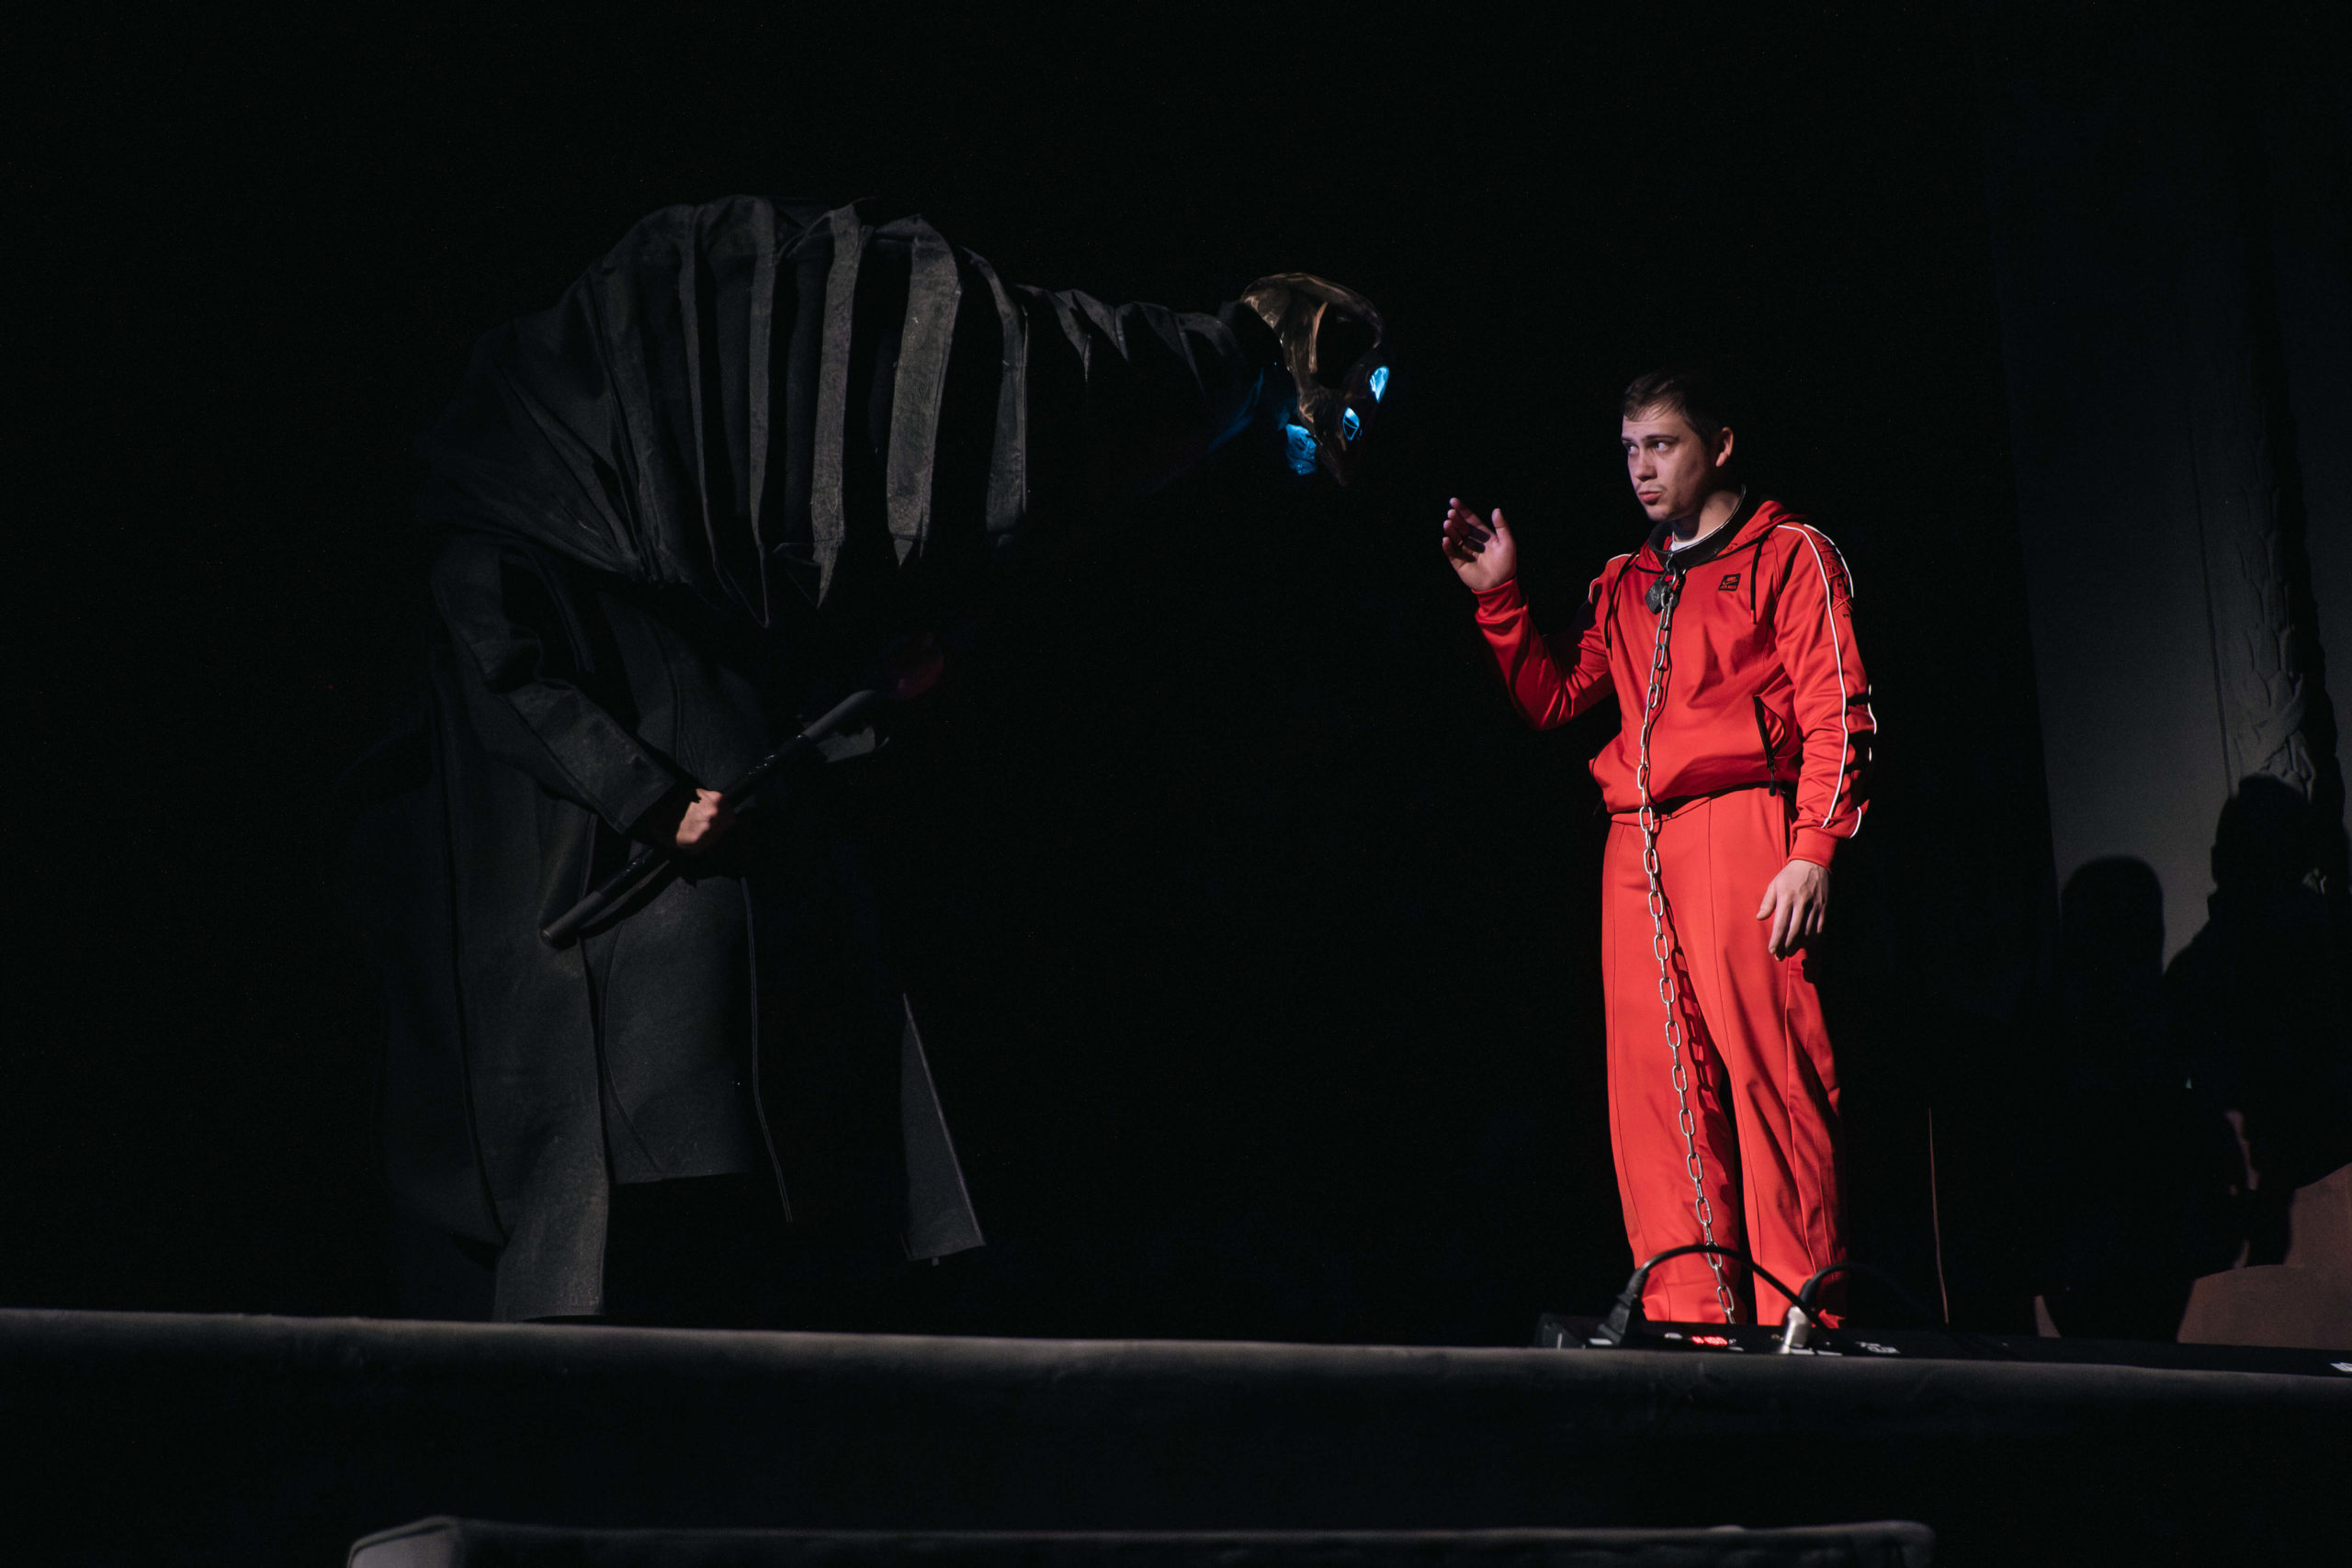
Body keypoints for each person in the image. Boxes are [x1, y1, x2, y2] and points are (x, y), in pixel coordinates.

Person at [336, 196, 1389, 1325]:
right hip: (618, 928)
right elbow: (511, 673)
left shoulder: (657, 527)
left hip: (733, 921)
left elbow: (753, 658)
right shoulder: (518, 510)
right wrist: (649, 800)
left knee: (758, 1220)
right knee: (658, 1236)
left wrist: (872, 688)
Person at [1440, 367, 1873, 1325]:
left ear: (1719, 446)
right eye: (1630, 448)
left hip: (1741, 825)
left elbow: (1837, 709)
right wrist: (1501, 599)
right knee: (1655, 1089)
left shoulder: (1787, 553)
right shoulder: (1626, 580)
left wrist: (1813, 848)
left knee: (1768, 1075)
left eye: (1662, 445)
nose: (1640, 467)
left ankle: (1804, 1315)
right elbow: (1559, 696)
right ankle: (1694, 1317)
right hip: (1634, 843)